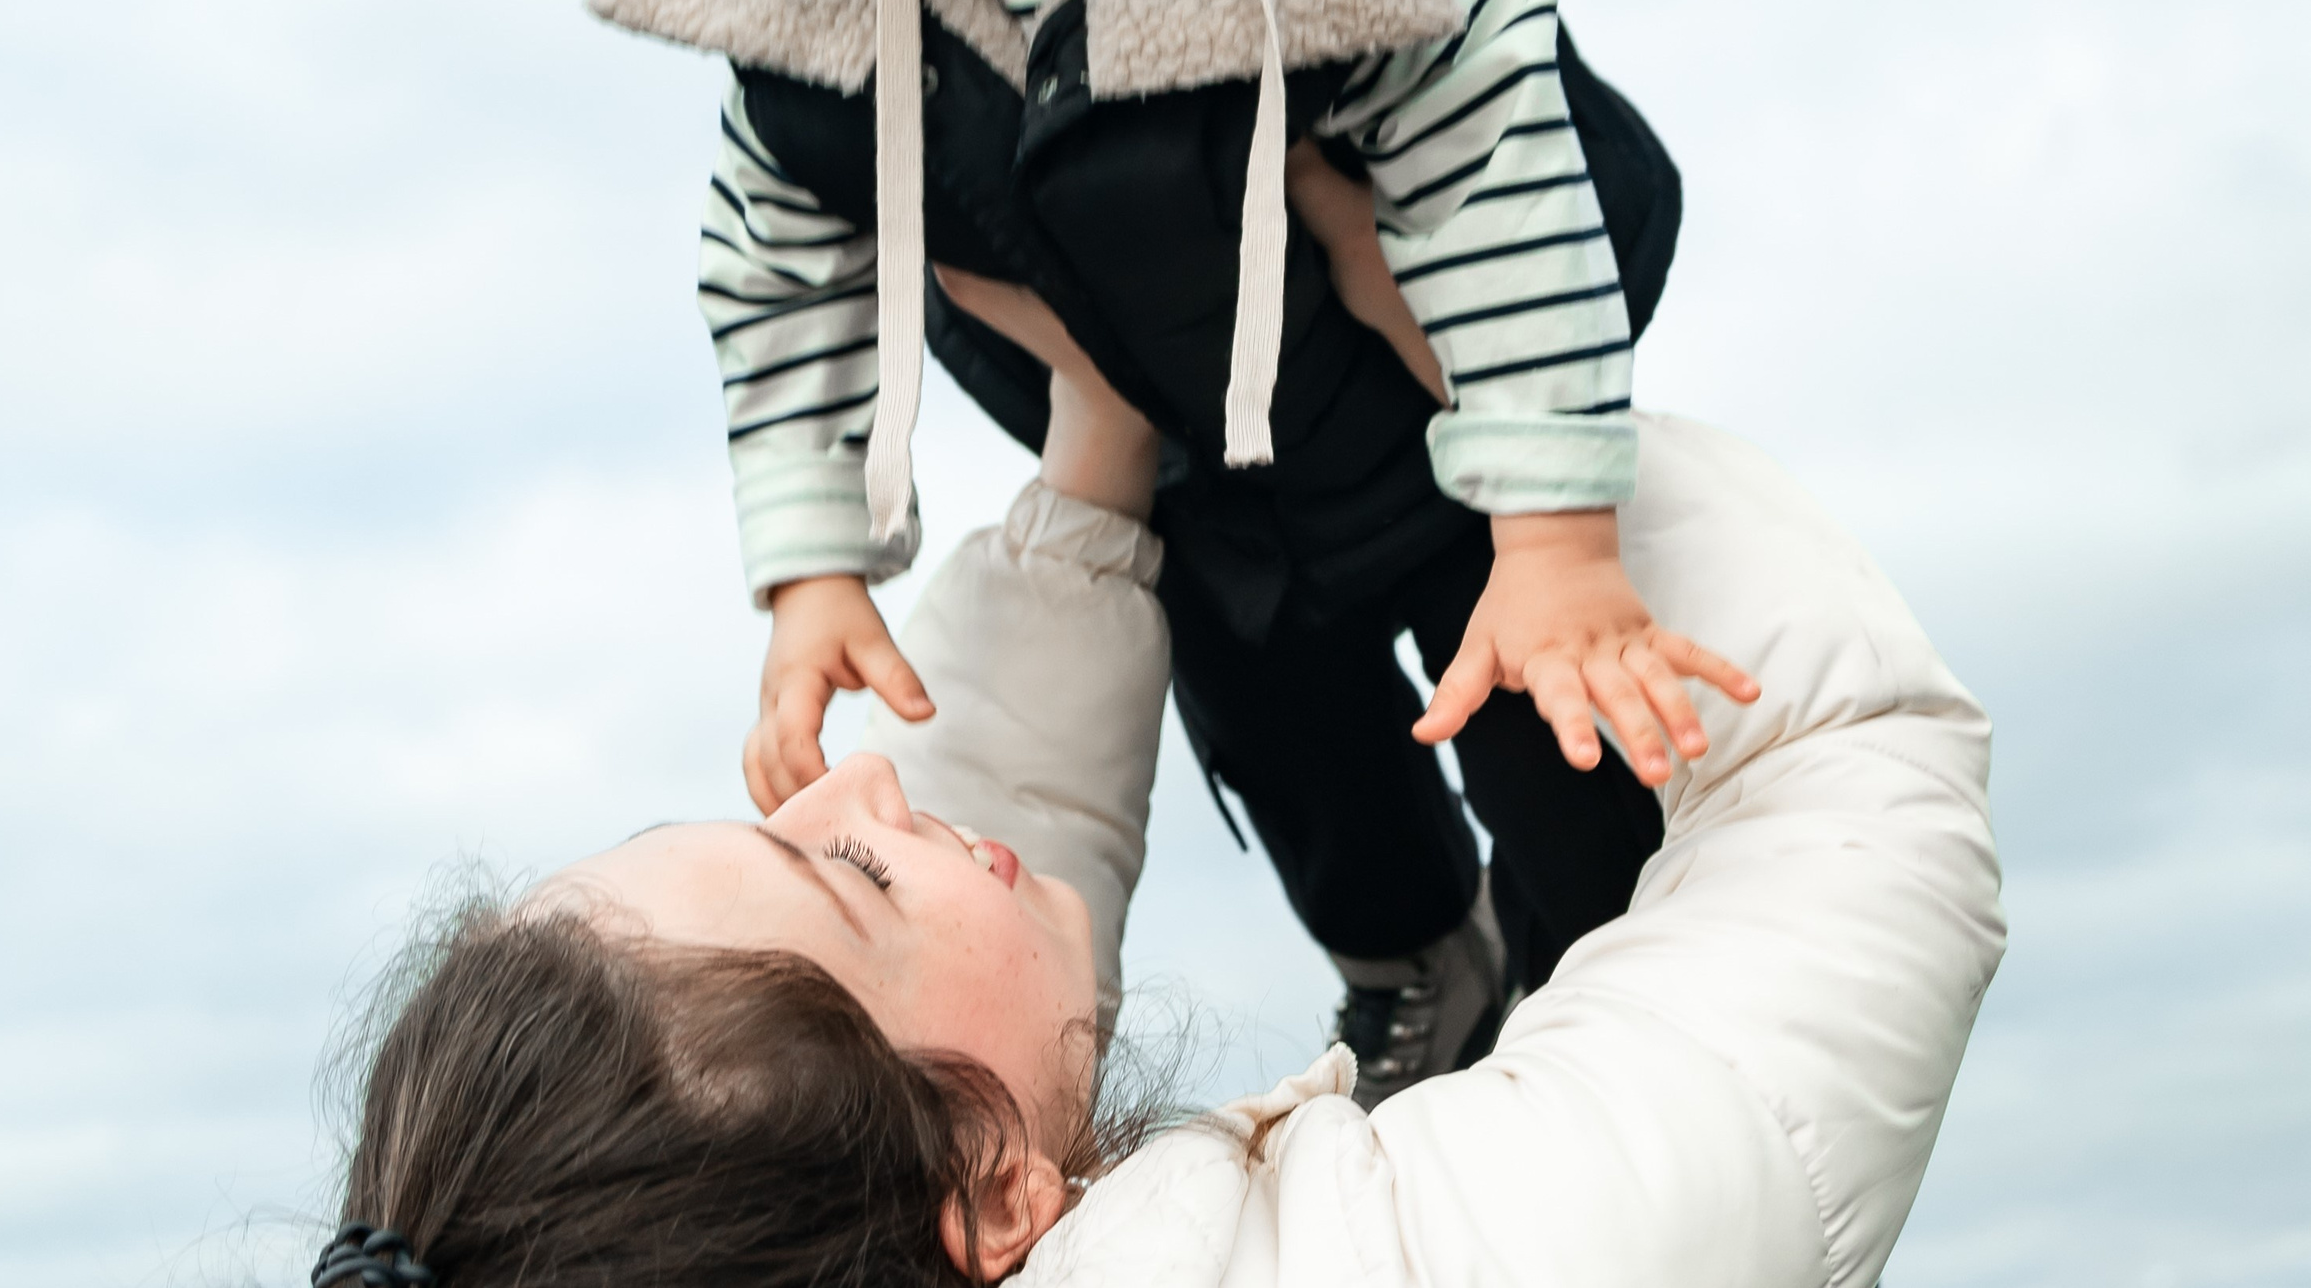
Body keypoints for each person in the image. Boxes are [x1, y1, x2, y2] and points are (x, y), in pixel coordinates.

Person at [590, 0, 1756, 1097]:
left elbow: (1490, 151)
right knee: (1288, 748)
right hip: (1193, 445)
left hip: (1430, 399)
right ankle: (1418, 960)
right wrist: (812, 569)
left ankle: (1599, 1008)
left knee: (1553, 730)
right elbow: (779, 252)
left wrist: (1552, 528)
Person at [318, 414, 2006, 1286]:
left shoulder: (947, 1200)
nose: (857, 784)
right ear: (985, 1197)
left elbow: (993, 965)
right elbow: (1853, 814)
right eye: (843, 868)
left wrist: (1095, 468)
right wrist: (1532, 459)